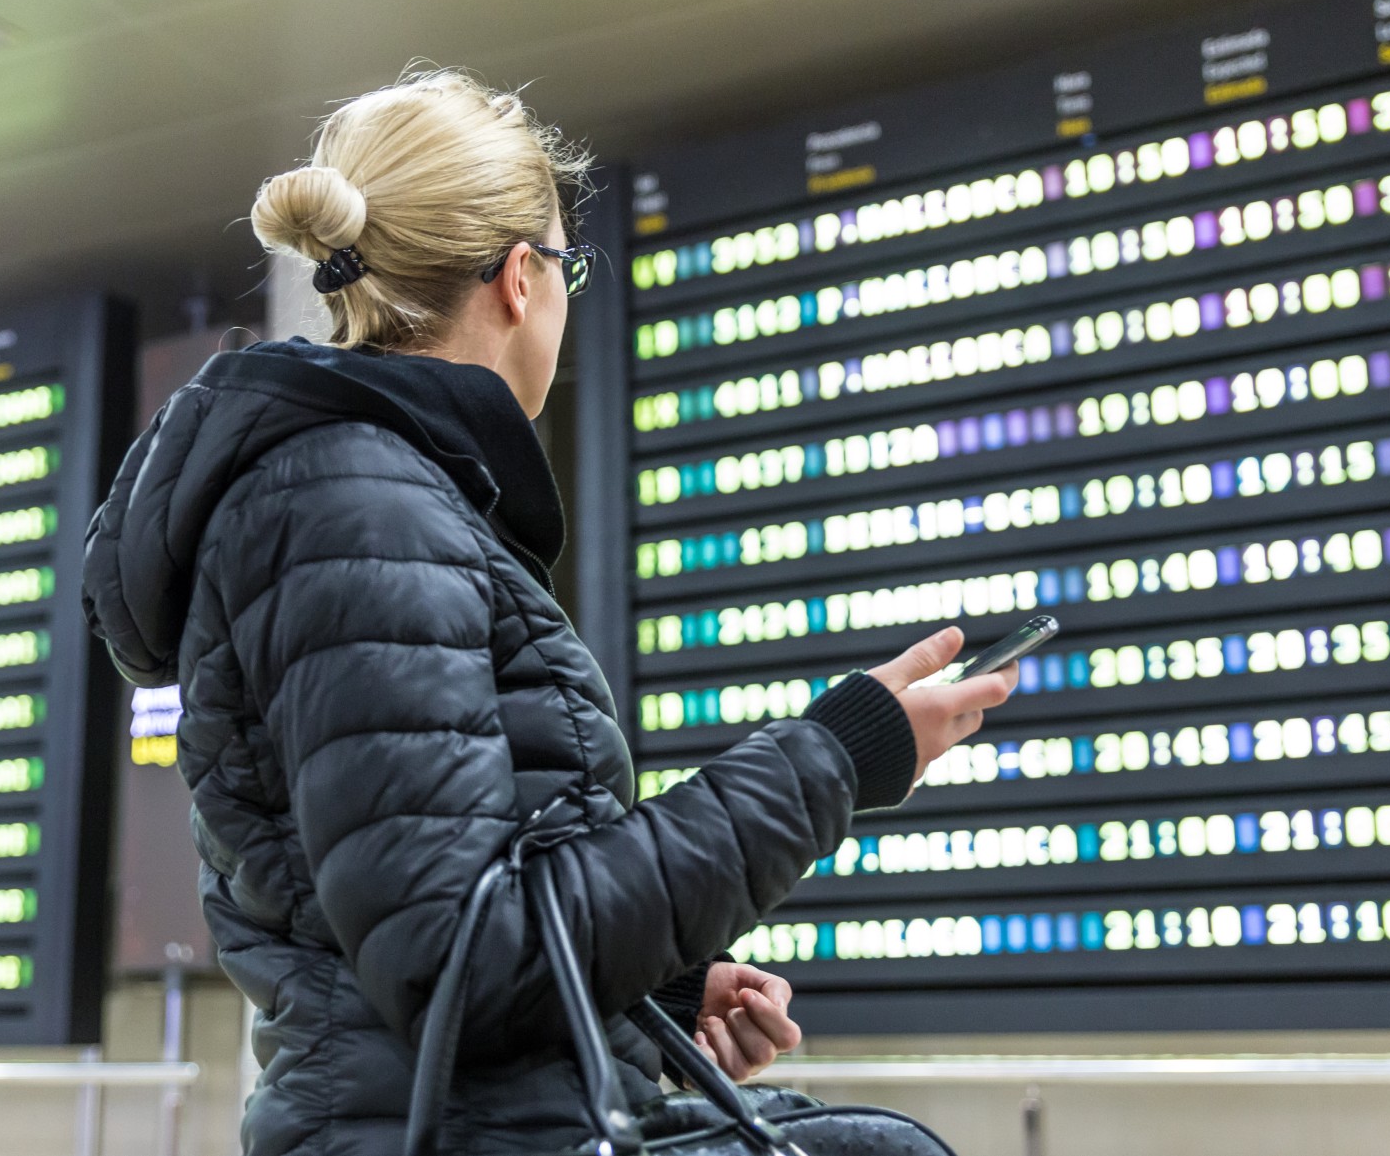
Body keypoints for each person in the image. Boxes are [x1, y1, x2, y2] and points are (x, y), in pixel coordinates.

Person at [81, 69, 1015, 1156]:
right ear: (521, 279)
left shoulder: (367, 493)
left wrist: (656, 990)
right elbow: (453, 961)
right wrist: (829, 762)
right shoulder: (355, 505)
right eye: (568, 267)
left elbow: (425, 915)